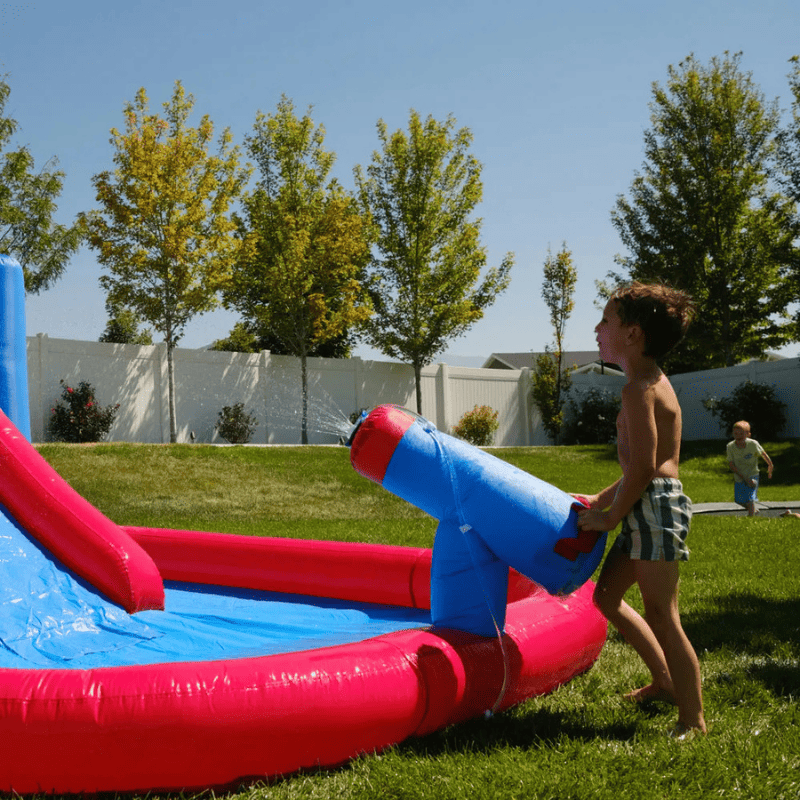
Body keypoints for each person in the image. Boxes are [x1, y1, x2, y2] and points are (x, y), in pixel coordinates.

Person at [575, 281, 707, 738]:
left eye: (606, 321)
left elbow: (649, 468)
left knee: (662, 614)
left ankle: (693, 718)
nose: (597, 328)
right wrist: (602, 498)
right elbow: (639, 467)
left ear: (632, 334)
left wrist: (610, 516)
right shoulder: (645, 383)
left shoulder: (640, 391)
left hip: (656, 507)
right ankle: (665, 682)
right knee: (606, 597)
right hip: (644, 502)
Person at [726, 421, 773, 516]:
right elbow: (731, 464)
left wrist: (770, 465)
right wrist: (744, 477)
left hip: (752, 474)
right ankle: (752, 509)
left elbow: (763, 454)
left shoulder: (753, 444)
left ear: (748, 434)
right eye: (736, 433)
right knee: (739, 500)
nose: (738, 436)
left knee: (750, 498)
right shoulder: (730, 446)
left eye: (741, 433)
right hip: (739, 475)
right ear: (732, 434)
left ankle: (751, 518)